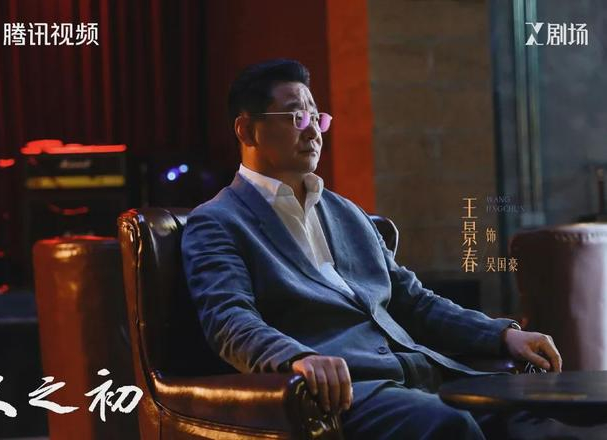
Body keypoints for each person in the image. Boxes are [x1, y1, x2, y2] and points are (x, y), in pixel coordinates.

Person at [181, 59, 562, 439]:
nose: (313, 131)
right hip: (343, 390)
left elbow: (414, 301)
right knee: (449, 425)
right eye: (296, 117)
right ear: (247, 130)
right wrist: (297, 357)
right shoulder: (218, 221)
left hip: (419, 373)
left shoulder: (347, 212)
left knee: (534, 418)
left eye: (317, 118)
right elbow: (229, 318)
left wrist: (502, 335)